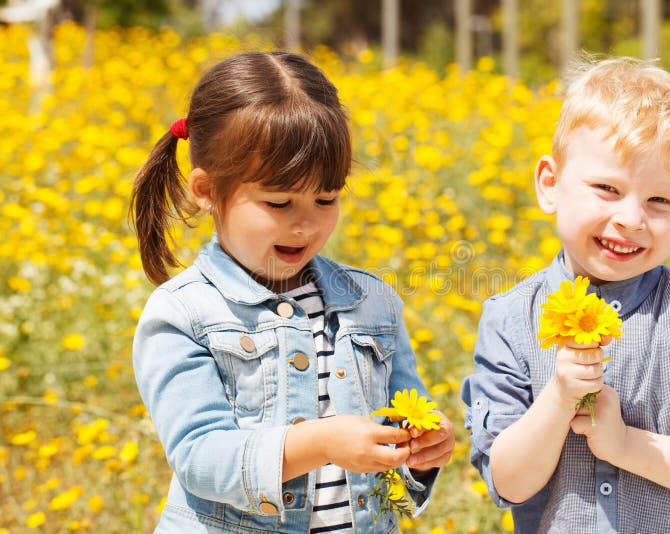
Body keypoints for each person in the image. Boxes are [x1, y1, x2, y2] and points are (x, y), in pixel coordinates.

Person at [130, 51, 454, 534]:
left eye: (326, 198)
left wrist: (424, 449)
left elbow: (405, 412)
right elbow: (200, 456)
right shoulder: (184, 313)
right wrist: (319, 443)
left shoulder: (371, 302)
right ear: (205, 190)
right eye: (279, 202)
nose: (306, 223)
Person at [461, 57, 670, 533]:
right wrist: (561, 397)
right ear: (550, 185)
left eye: (659, 200)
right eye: (607, 188)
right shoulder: (509, 318)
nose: (632, 218)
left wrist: (626, 445)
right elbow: (507, 482)